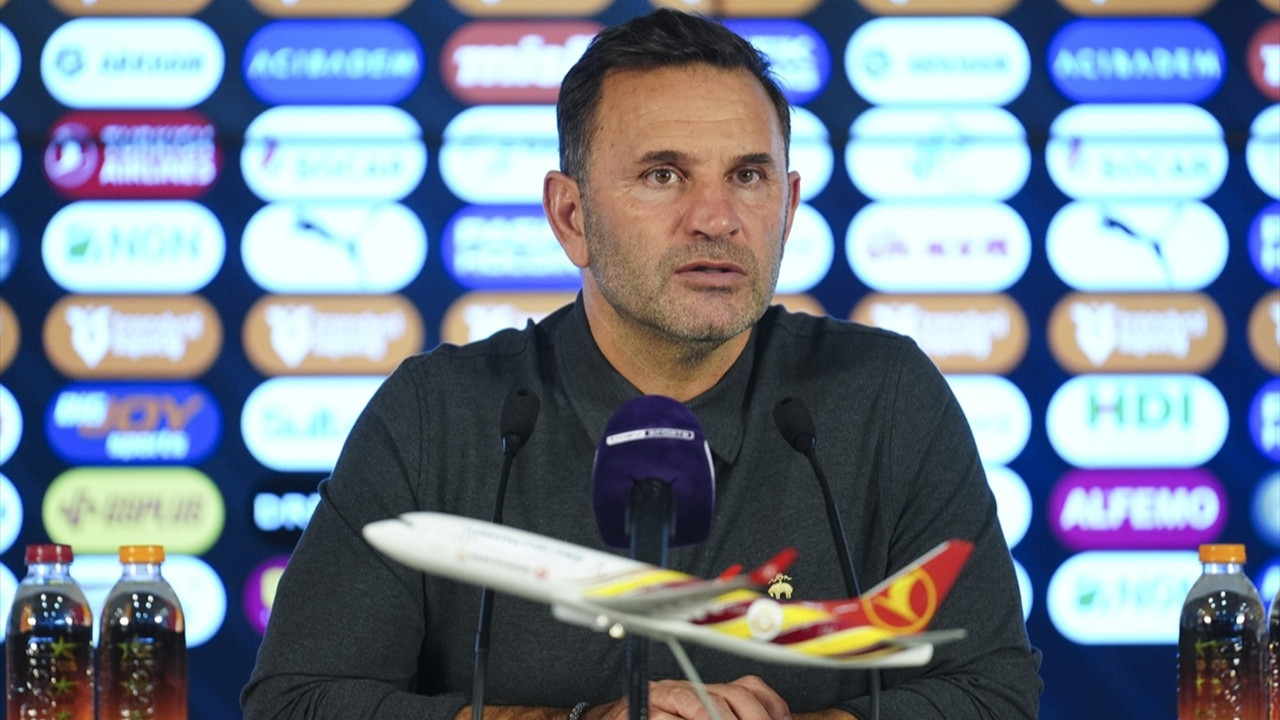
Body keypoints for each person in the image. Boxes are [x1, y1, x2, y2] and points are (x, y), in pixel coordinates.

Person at [241, 8, 1043, 720]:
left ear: (790, 206)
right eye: (664, 175)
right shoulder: (437, 414)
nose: (717, 218)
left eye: (748, 176)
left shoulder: (884, 396)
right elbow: (298, 703)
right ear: (571, 216)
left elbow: (995, 692)